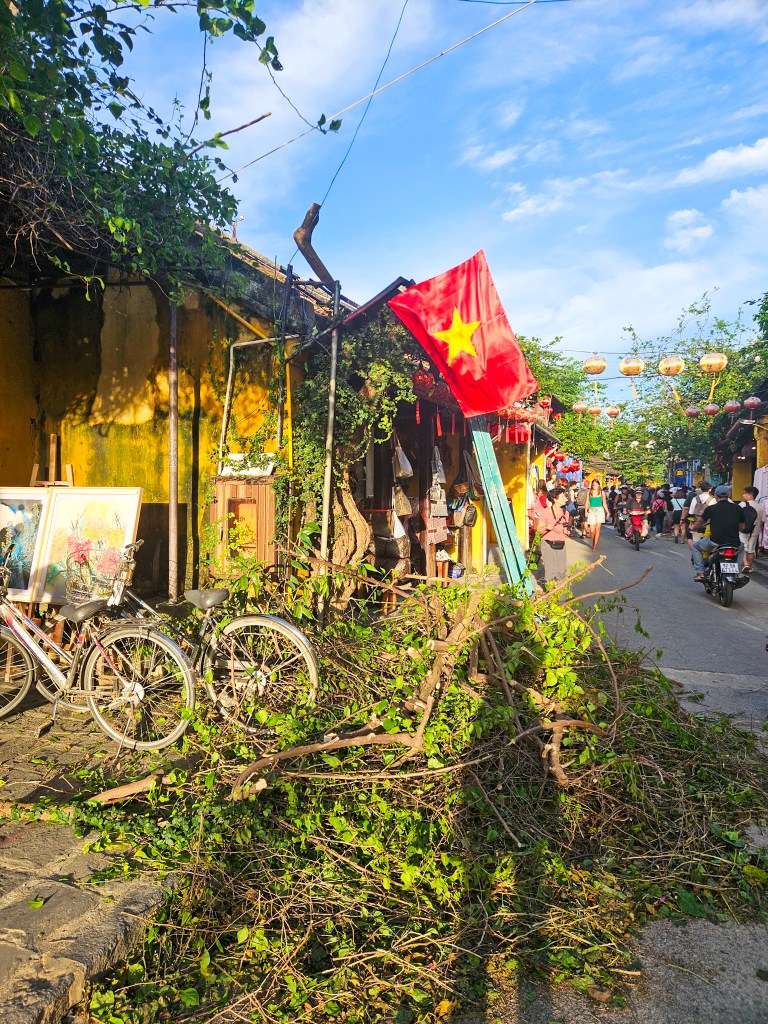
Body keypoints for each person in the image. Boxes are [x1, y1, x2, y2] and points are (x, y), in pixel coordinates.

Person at [692, 484, 746, 580]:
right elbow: (742, 527)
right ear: (729, 495)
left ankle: (700, 573)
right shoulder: (738, 508)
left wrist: (694, 528)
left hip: (715, 542)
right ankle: (737, 572)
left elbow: (699, 523)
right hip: (734, 543)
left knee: (695, 546)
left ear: (716, 496)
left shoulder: (711, 509)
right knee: (741, 547)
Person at [533, 486, 571, 583]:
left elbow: (565, 528)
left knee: (561, 571)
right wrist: (546, 527)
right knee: (550, 570)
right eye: (563, 496)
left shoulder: (566, 513)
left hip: (561, 542)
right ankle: (551, 593)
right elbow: (539, 529)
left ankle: (554, 586)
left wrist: (566, 531)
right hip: (547, 542)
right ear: (555, 499)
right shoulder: (546, 512)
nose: (565, 498)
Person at [739, 486, 763, 574]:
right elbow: (763, 520)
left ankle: (746, 565)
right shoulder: (760, 506)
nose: (743, 495)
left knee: (742, 548)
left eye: (745, 493)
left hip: (743, 530)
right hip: (755, 531)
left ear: (750, 495)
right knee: (751, 550)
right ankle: (750, 566)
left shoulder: (742, 505)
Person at [686, 481, 715, 551]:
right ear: (710, 489)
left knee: (696, 542)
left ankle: (696, 557)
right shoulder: (713, 499)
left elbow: (691, 512)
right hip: (710, 525)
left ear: (701, 489)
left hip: (697, 524)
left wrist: (691, 524)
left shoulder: (695, 498)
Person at [585, 478, 609, 551]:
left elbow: (604, 503)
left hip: (600, 511)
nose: (594, 486)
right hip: (592, 510)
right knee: (592, 531)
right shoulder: (589, 492)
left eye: (596, 485)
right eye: (593, 485)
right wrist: (586, 511)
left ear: (599, 485)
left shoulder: (602, 493)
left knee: (597, 529)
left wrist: (607, 512)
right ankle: (593, 541)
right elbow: (587, 502)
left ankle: (595, 545)